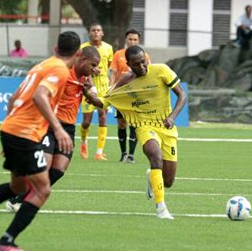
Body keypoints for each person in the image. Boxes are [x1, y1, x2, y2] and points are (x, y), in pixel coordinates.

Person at [0, 31, 81, 251]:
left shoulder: (41, 66)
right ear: (78, 54)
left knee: (19, 188)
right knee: (42, 190)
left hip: (12, 130)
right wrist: (58, 129)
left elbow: (13, 99)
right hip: (24, 134)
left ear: (55, 49)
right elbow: (40, 96)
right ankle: (6, 241)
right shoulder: (60, 70)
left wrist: (9, 133)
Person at [83, 45, 187, 220]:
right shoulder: (125, 80)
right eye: (137, 64)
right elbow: (104, 102)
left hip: (166, 126)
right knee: (155, 155)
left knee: (168, 181)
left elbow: (182, 95)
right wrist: (88, 94)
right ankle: (161, 209)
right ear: (128, 64)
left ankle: (151, 177)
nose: (142, 67)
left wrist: (172, 117)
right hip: (144, 126)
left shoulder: (161, 70)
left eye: (143, 62)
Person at [5, 46, 101, 211]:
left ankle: (21, 195)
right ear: (82, 59)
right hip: (51, 124)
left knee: (58, 170)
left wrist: (91, 93)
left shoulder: (85, 76)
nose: (95, 69)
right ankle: (19, 198)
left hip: (68, 128)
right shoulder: (63, 73)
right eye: (93, 65)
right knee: (44, 165)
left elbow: (95, 97)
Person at [109, 29, 151, 163]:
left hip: (137, 95)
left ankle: (131, 155)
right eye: (130, 39)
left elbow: (148, 74)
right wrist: (111, 89)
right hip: (122, 94)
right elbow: (114, 73)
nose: (132, 41)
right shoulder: (118, 54)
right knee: (121, 124)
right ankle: (123, 153)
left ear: (138, 41)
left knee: (134, 123)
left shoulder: (144, 55)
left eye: (135, 40)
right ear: (126, 40)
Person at [79, 23, 113, 161]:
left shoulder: (109, 48)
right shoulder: (83, 48)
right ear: (89, 33)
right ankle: (83, 142)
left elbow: (108, 66)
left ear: (102, 33)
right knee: (86, 121)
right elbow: (80, 66)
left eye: (98, 30)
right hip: (88, 84)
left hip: (104, 86)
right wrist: (91, 71)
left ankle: (99, 152)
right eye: (93, 30)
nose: (96, 32)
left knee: (103, 117)